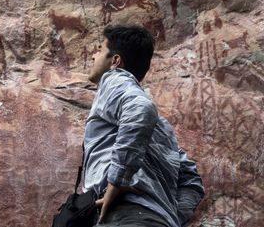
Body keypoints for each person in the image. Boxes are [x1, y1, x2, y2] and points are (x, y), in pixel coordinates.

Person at [84, 24, 204, 227]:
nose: (93, 56)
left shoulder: (114, 79)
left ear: (115, 61)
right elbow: (191, 180)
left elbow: (140, 108)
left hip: (125, 214)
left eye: (99, 50)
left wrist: (117, 181)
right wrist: (169, 215)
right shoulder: (161, 128)